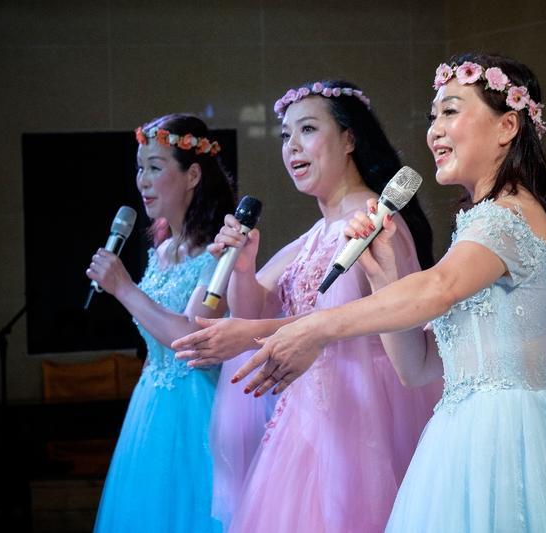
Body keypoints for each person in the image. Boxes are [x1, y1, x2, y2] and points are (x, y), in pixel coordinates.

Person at [233, 54, 546, 532]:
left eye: (450, 111)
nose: (434, 131)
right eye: (433, 117)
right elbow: (417, 366)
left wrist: (316, 328)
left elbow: (439, 287)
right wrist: (386, 277)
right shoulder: (475, 225)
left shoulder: (508, 215)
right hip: (461, 439)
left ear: (507, 126)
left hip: (512, 444)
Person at [172, 80, 441, 532]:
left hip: (363, 413)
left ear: (349, 139)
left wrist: (252, 333)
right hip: (308, 418)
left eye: (308, 130)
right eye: (285, 135)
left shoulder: (375, 221)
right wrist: (243, 267)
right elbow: (254, 308)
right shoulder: (315, 235)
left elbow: (362, 317)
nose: (292, 146)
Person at [87, 113, 236, 532]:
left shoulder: (219, 251)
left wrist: (123, 288)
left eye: (155, 167)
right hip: (151, 406)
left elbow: (191, 336)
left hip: (197, 411)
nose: (143, 181)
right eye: (140, 168)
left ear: (193, 175)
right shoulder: (163, 249)